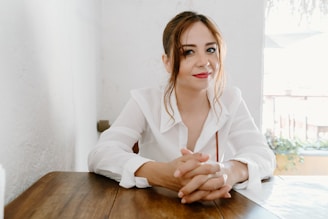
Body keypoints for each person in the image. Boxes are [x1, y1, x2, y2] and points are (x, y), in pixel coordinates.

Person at [88, 11, 276, 204]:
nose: (204, 62)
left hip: (213, 209)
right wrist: (162, 174)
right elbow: (101, 153)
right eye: (188, 52)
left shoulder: (230, 99)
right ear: (167, 62)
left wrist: (228, 172)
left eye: (211, 50)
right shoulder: (144, 100)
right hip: (153, 209)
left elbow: (263, 155)